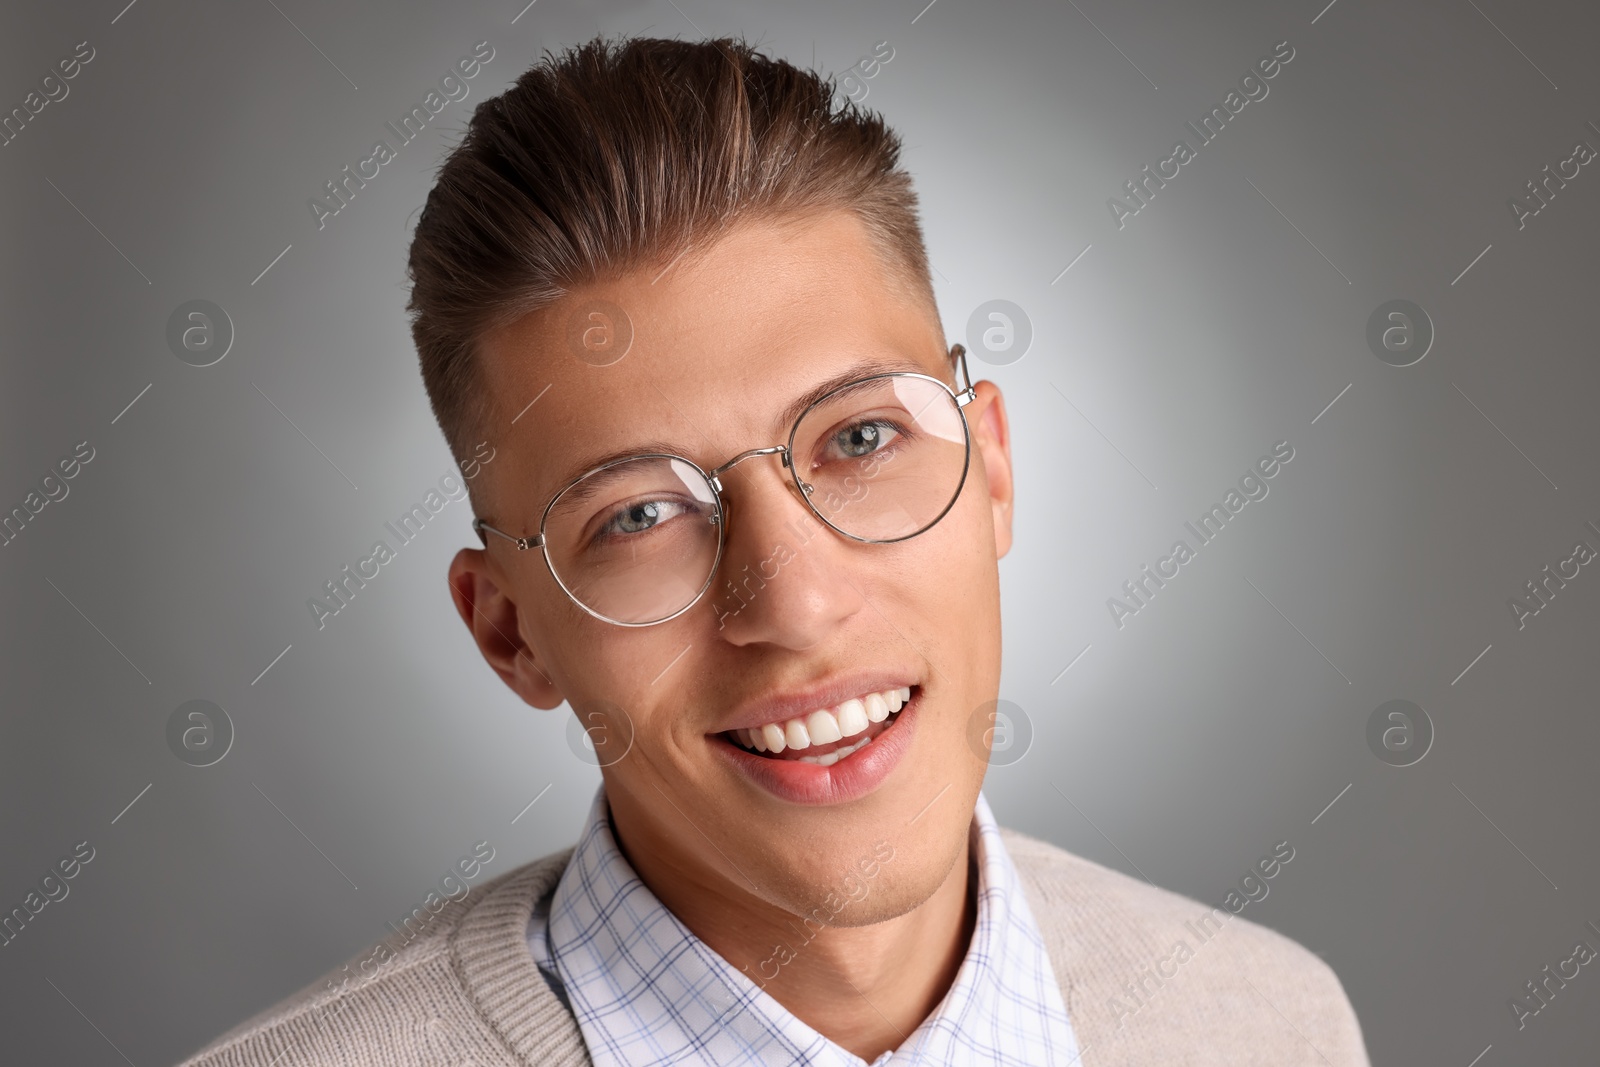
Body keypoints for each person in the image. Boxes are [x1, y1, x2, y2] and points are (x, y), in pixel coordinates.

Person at [179, 35, 1369, 1066]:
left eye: (860, 436)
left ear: (991, 468)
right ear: (510, 630)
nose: (791, 601)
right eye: (638, 514)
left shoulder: (1268, 1024)